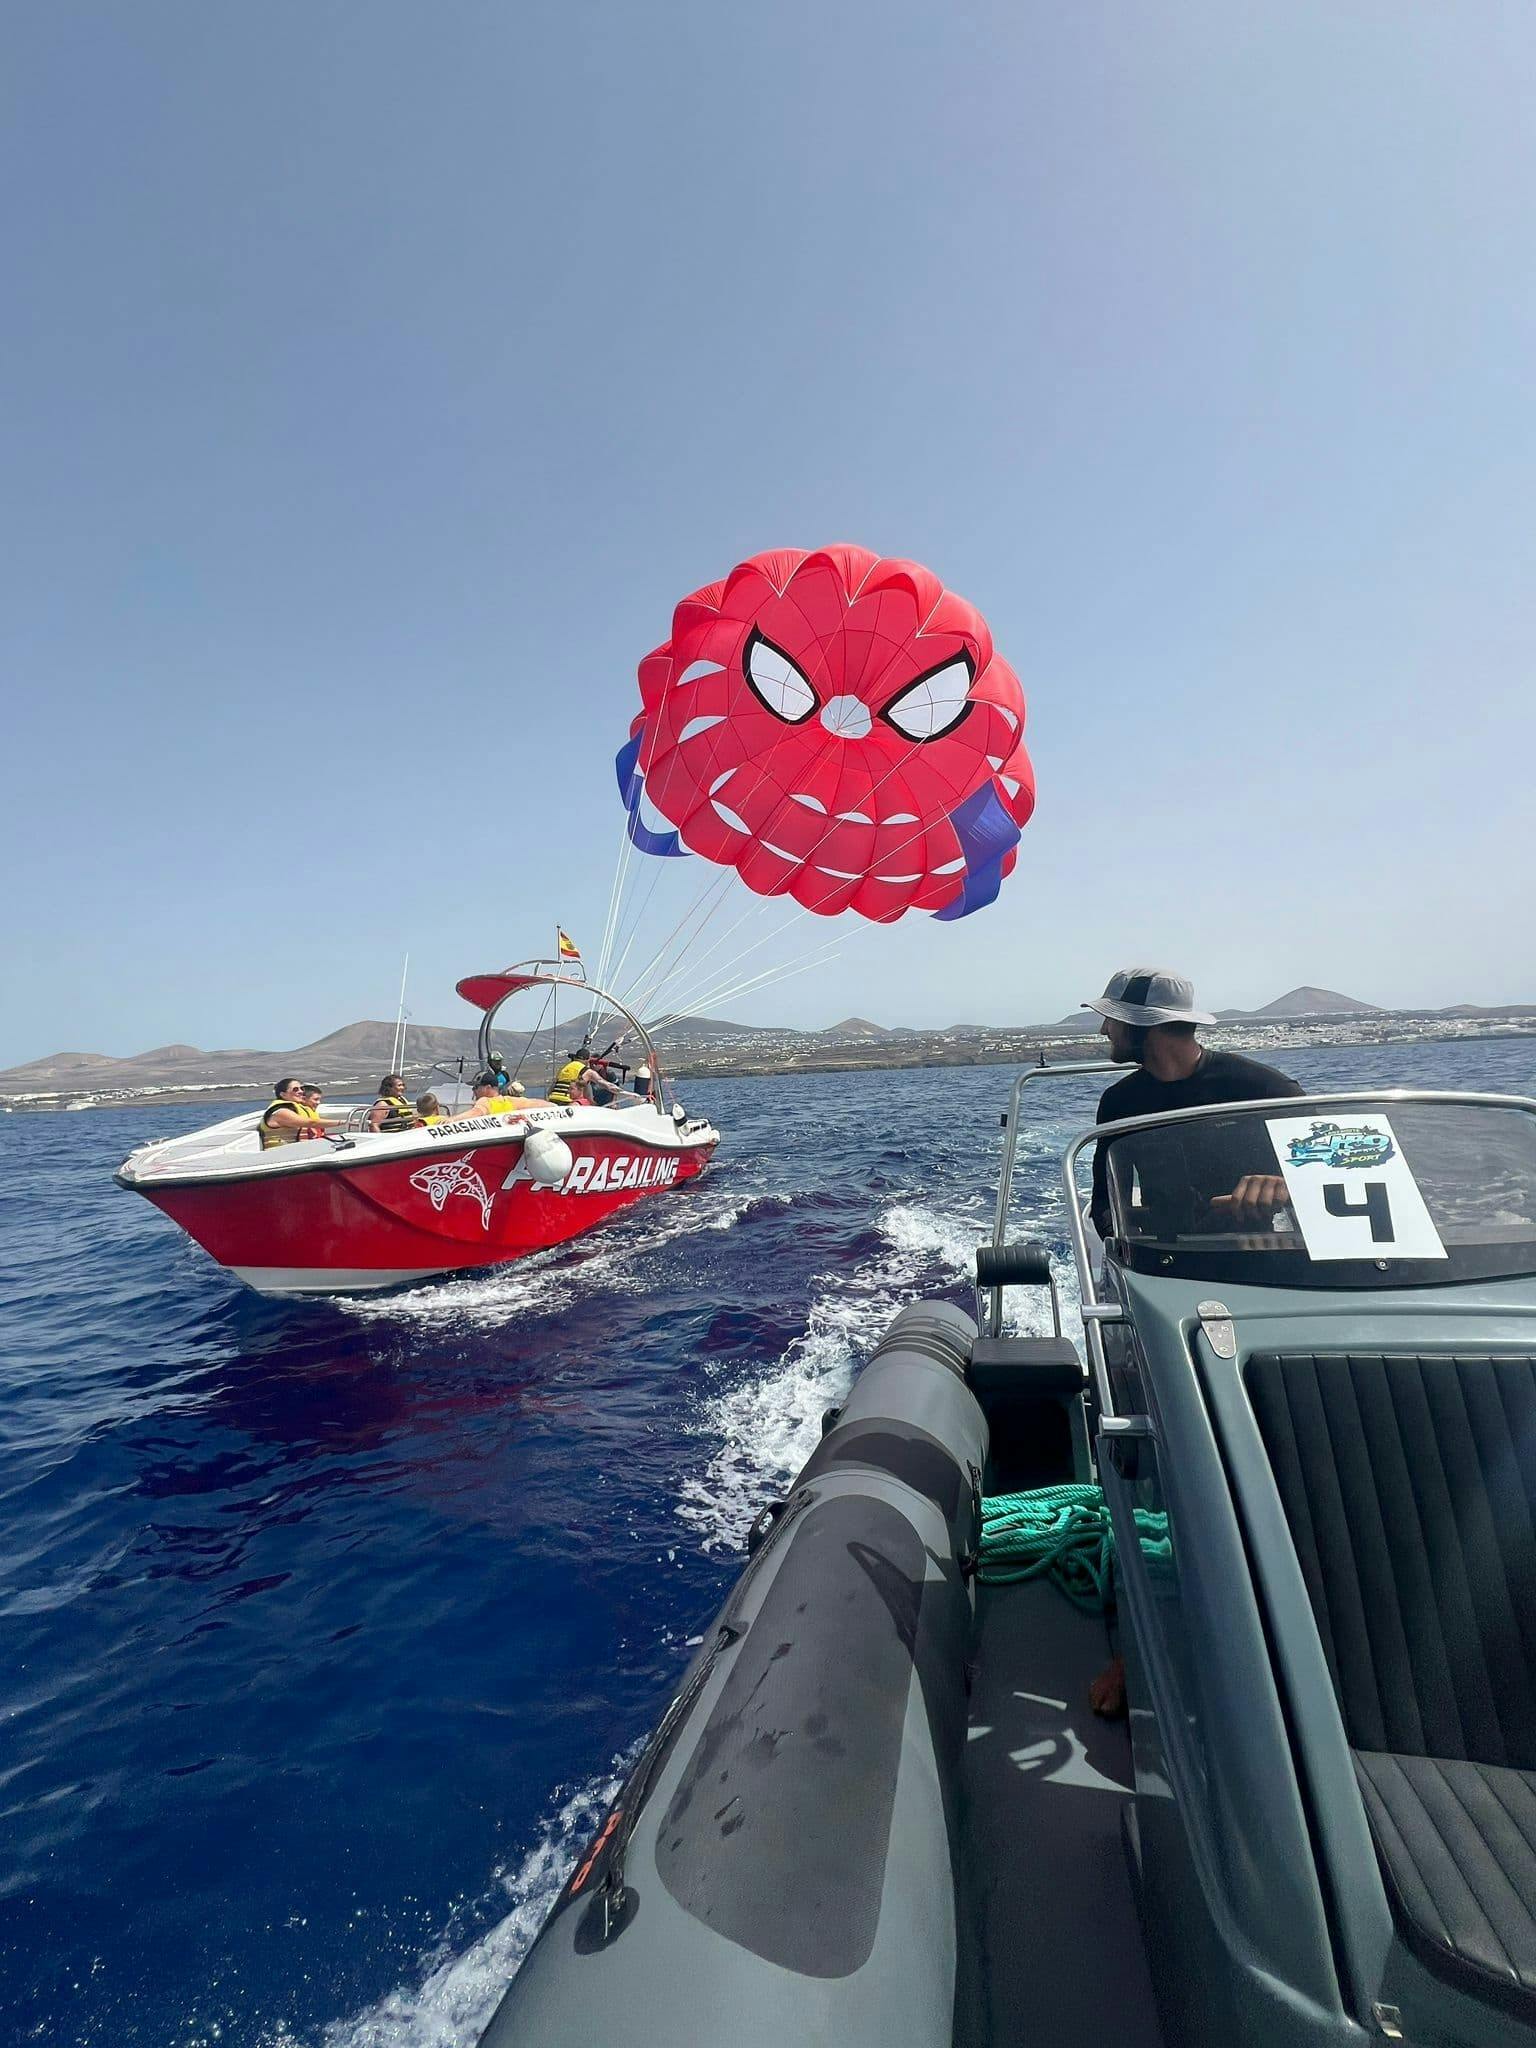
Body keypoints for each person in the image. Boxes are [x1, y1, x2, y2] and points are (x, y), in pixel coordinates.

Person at [1086, 969, 1301, 1241]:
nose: (1104, 1029)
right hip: (1161, 1264)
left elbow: (1332, 1172)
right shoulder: (1118, 1101)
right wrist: (1128, 1252)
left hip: (1254, 1258)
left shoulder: (1265, 1089)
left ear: (1145, 1024)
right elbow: (1105, 1203)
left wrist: (1283, 1186)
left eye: (1111, 1018)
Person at [258, 1076, 324, 1148]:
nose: (301, 1091)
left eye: (301, 1089)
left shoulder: (299, 1109)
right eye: (295, 1089)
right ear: (283, 1094)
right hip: (279, 1152)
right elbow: (311, 1123)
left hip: (297, 1149)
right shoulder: (280, 1111)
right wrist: (338, 1123)